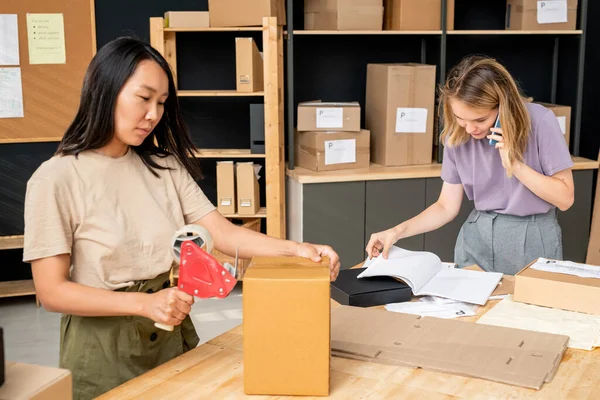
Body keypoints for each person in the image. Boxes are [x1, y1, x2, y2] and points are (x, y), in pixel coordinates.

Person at [22, 37, 340, 399]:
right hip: (103, 346)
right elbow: (51, 291)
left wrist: (298, 250)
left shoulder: (164, 165)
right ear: (103, 89)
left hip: (171, 329)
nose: (153, 115)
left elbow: (221, 232)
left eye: (161, 103)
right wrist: (145, 304)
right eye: (143, 98)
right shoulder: (56, 178)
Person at [365, 55, 574, 275]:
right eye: (460, 118)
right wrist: (396, 232)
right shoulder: (457, 136)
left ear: (503, 105)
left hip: (532, 239)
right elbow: (445, 206)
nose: (470, 128)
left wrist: (515, 164)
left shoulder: (541, 122)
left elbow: (565, 198)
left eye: (480, 120)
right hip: (477, 242)